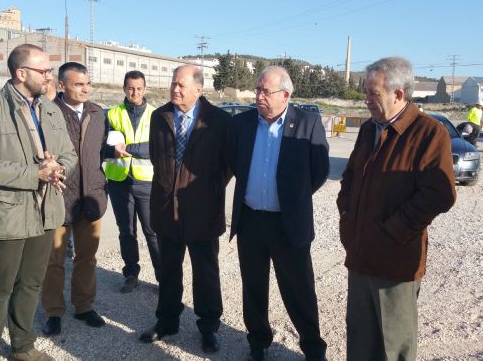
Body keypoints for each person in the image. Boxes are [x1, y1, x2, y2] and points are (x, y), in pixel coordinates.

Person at [337, 57, 456, 361]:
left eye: (373, 94)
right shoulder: (368, 130)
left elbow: (440, 194)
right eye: (366, 93)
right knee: (361, 342)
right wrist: (348, 215)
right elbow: (349, 176)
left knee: (394, 347)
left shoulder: (429, 133)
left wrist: (393, 231)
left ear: (399, 94)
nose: (366, 101)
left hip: (395, 263)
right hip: (360, 257)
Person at [0, 44, 77, 361]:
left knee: (31, 282)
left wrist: (59, 167)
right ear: (21, 73)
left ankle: (22, 346)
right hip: (8, 210)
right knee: (1, 285)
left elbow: (68, 153)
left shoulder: (52, 109)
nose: (50, 76)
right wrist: (35, 173)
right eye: (44, 71)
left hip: (46, 209)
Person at [229, 66, 329, 361]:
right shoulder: (243, 123)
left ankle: (313, 348)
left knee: (299, 290)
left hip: (288, 223)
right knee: (254, 287)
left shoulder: (308, 123)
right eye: (257, 89)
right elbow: (236, 164)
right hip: (251, 221)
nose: (258, 96)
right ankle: (258, 342)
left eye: (265, 91)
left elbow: (320, 171)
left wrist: (292, 197)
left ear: (286, 95)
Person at [139, 65, 231, 354]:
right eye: (173, 84)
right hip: (167, 209)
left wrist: (207, 190)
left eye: (181, 85)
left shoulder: (219, 120)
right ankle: (167, 321)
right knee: (168, 270)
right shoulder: (160, 117)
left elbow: (227, 164)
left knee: (205, 272)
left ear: (199, 89)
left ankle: (208, 328)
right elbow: (157, 158)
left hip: (203, 211)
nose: (175, 90)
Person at [41, 62, 108, 336]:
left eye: (88, 83)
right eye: (78, 84)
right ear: (61, 86)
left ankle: (83, 306)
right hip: (59, 197)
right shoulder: (48, 113)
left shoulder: (98, 113)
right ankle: (53, 311)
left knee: (86, 258)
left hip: (91, 198)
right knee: (54, 260)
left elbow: (102, 150)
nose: (85, 89)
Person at [104, 70, 161, 293]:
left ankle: (162, 276)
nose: (134, 92)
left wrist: (128, 149)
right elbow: (103, 147)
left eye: (138, 88)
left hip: (147, 182)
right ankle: (130, 274)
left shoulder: (156, 115)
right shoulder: (112, 114)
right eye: (130, 88)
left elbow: (157, 147)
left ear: (144, 89)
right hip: (119, 181)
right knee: (126, 231)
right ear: (124, 89)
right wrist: (113, 150)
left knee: (152, 232)